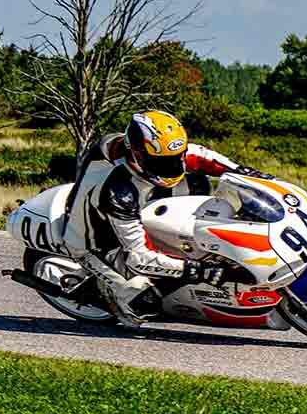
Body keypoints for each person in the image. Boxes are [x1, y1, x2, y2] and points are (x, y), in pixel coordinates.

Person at [66, 110, 264, 328]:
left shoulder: (153, 151)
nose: (173, 167)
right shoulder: (118, 189)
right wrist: (198, 271)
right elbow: (139, 258)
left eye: (176, 159)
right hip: (96, 241)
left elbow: (201, 155)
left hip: (134, 209)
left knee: (195, 184)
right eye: (162, 163)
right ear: (137, 155)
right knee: (142, 301)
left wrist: (249, 174)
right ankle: (117, 297)